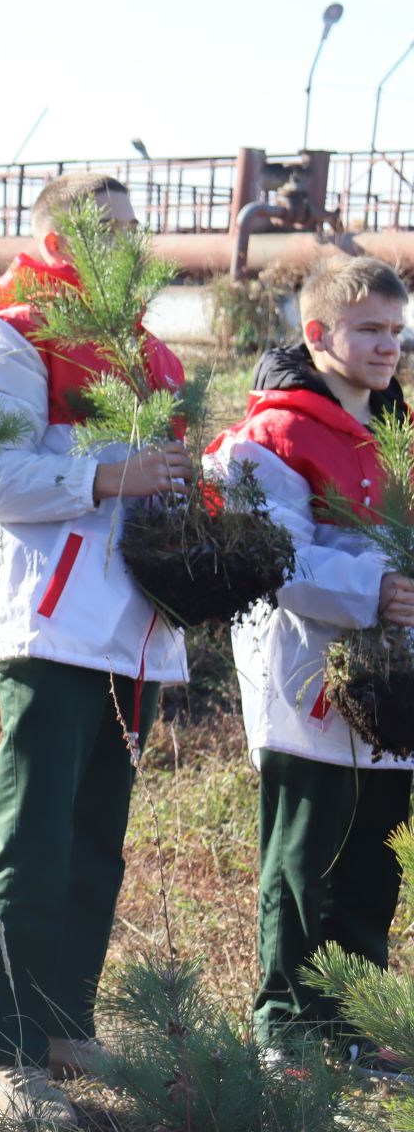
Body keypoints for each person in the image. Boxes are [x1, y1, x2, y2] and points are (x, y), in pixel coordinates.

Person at [0, 173, 190, 1125]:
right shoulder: (2, 339)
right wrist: (109, 472)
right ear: (49, 237)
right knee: (34, 838)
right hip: (49, 627)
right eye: (100, 229)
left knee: (95, 839)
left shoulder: (147, 356)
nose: (122, 244)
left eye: (132, 229)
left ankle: (58, 1021)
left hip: (134, 631)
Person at [204, 256, 414, 1075]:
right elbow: (275, 558)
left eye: (397, 331)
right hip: (311, 683)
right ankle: (289, 1031)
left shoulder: (398, 433)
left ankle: (356, 1026)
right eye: (369, 330)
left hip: (396, 685)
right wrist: (376, 589)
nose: (388, 346)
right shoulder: (271, 436)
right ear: (317, 334)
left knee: (376, 858)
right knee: (306, 860)